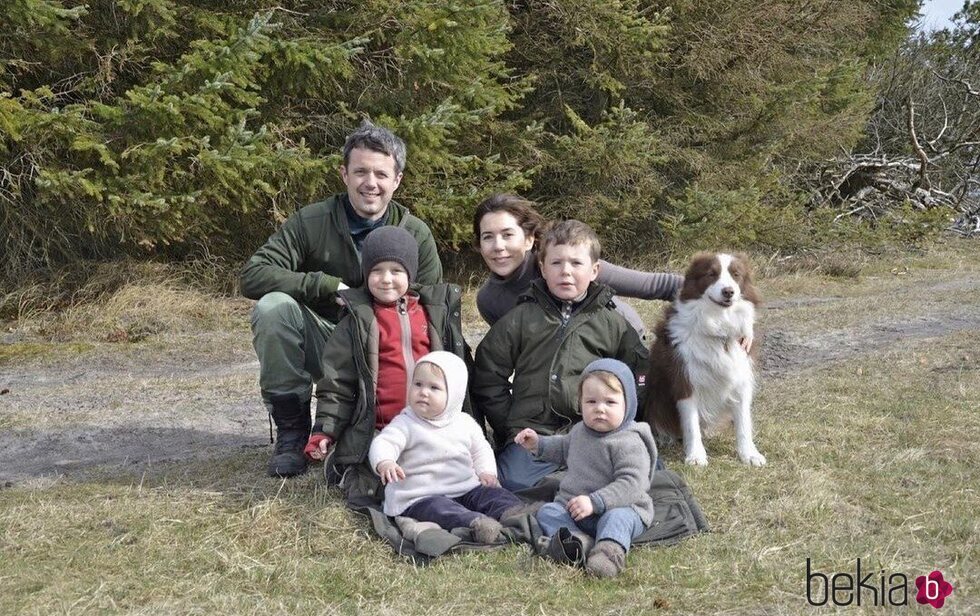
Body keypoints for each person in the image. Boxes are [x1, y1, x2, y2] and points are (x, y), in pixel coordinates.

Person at [240, 121, 443, 477]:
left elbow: (435, 309)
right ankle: (292, 431)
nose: (371, 183)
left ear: (397, 179)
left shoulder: (415, 233)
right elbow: (254, 274)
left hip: (388, 351)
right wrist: (325, 285)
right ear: (344, 174)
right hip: (328, 342)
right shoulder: (311, 221)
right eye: (360, 171)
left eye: (381, 174)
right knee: (272, 309)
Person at [471, 219, 649, 490]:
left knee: (636, 478)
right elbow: (488, 372)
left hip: (592, 432)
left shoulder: (611, 323)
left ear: (594, 270)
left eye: (576, 264)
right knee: (511, 483)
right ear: (542, 268)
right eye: (556, 263)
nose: (566, 271)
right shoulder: (520, 318)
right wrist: (510, 423)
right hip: (533, 432)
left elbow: (641, 374)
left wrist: (621, 421)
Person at [302, 227, 469, 502]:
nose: (386, 279)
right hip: (380, 429)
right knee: (375, 487)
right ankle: (351, 464)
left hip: (431, 427)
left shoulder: (433, 314)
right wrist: (324, 431)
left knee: (450, 481)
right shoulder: (356, 320)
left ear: (410, 275)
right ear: (366, 274)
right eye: (376, 270)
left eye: (396, 271)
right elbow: (337, 384)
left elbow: (458, 374)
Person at [514, 358, 657, 578]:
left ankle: (608, 553)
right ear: (580, 403)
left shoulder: (629, 442)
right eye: (591, 401)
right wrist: (538, 444)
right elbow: (563, 447)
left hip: (619, 506)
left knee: (617, 520)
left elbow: (632, 484)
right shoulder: (581, 431)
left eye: (610, 402)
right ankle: (576, 541)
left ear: (628, 404)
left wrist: (595, 502)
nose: (600, 409)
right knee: (548, 511)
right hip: (577, 510)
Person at [369, 352, 526, 543]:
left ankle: (517, 514)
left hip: (465, 488)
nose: (423, 392)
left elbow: (481, 449)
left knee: (493, 495)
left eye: (434, 387)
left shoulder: (464, 422)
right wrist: (385, 462)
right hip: (420, 495)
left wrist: (487, 472)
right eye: (417, 384)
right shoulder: (406, 423)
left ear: (454, 394)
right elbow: (384, 442)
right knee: (441, 509)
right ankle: (476, 524)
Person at [473, 193, 682, 337]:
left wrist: (711, 290)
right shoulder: (489, 300)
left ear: (529, 239)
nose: (498, 246)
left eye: (508, 235)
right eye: (488, 237)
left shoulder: (564, 263)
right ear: (479, 245)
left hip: (623, 348)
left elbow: (655, 285)